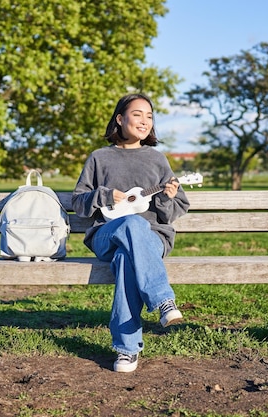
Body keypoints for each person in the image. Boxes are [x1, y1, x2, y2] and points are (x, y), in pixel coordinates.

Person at [71, 93, 190, 373]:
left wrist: (165, 197)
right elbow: (78, 202)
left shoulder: (157, 159)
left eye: (149, 116)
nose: (144, 121)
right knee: (133, 225)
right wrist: (104, 195)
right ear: (120, 119)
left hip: (151, 239)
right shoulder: (99, 158)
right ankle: (163, 300)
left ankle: (126, 350)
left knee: (129, 255)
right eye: (137, 114)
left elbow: (175, 209)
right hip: (106, 235)